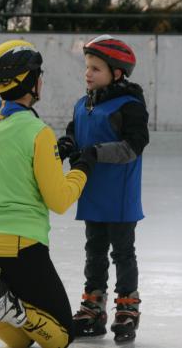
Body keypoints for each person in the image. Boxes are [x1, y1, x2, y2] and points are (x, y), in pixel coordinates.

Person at [0, 40, 97, 348]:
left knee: (21, 341)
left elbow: (8, 167)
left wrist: (54, 154)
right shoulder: (36, 132)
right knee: (60, 336)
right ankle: (6, 307)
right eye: (39, 74)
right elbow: (58, 200)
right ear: (30, 81)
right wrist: (82, 167)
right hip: (18, 248)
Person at [57, 35, 149, 342]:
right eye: (87, 67)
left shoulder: (129, 106)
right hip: (92, 193)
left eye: (96, 68)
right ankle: (93, 308)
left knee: (123, 252)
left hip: (119, 196)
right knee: (94, 252)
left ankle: (127, 307)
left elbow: (133, 147)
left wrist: (95, 152)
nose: (88, 73)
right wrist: (68, 143)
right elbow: (76, 131)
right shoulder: (82, 105)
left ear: (117, 73)